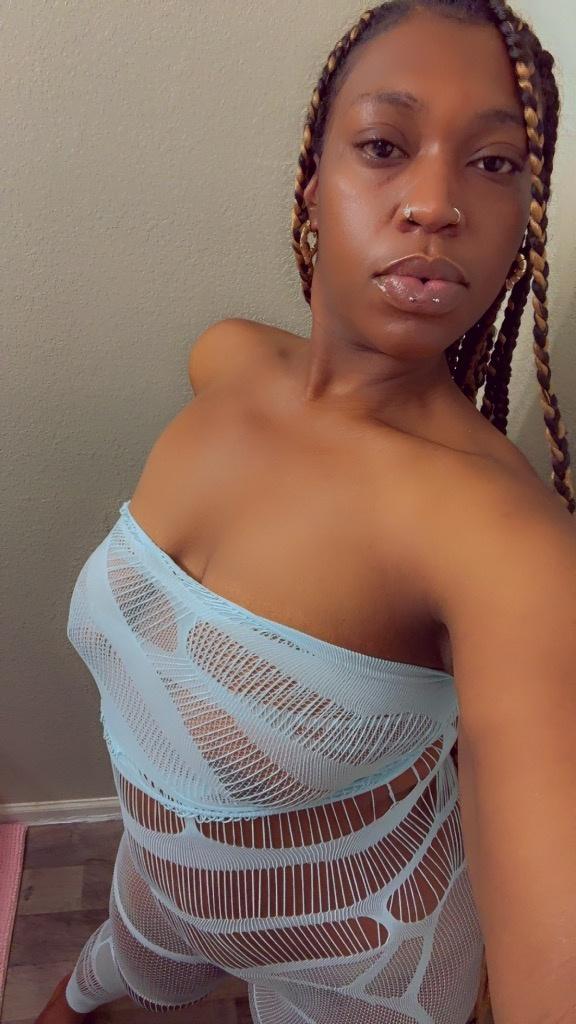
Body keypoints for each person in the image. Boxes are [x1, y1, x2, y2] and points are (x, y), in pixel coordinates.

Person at [36, 2, 576, 1022]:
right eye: (384, 145)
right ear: (313, 177)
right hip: (157, 890)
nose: (435, 203)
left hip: (367, 962)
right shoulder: (227, 359)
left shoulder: (509, 547)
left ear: (526, 216)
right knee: (85, 995)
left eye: (495, 163)